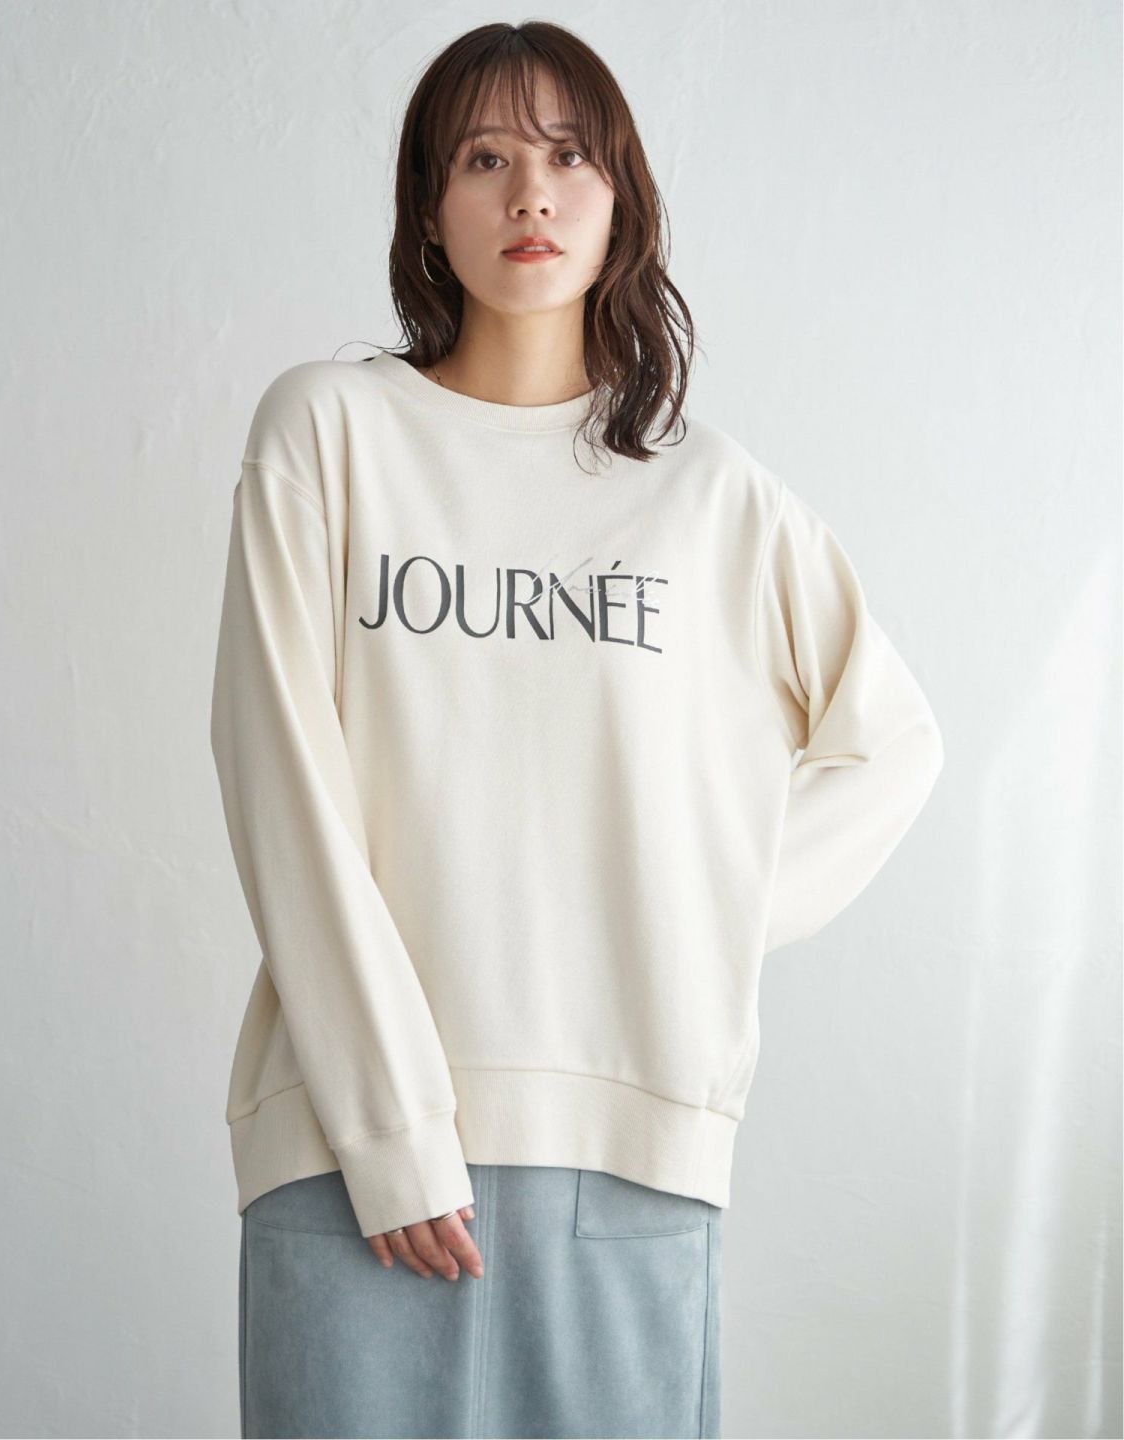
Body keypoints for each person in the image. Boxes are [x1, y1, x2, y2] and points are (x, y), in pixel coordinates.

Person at [209, 20, 944, 1440]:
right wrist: (388, 1128)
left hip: (628, 1144)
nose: (530, 196)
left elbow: (892, 743)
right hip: (348, 1149)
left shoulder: (711, 497)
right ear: (430, 204)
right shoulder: (328, 433)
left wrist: (699, 916)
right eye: (484, 159)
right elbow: (276, 774)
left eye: (567, 158)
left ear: (622, 201)